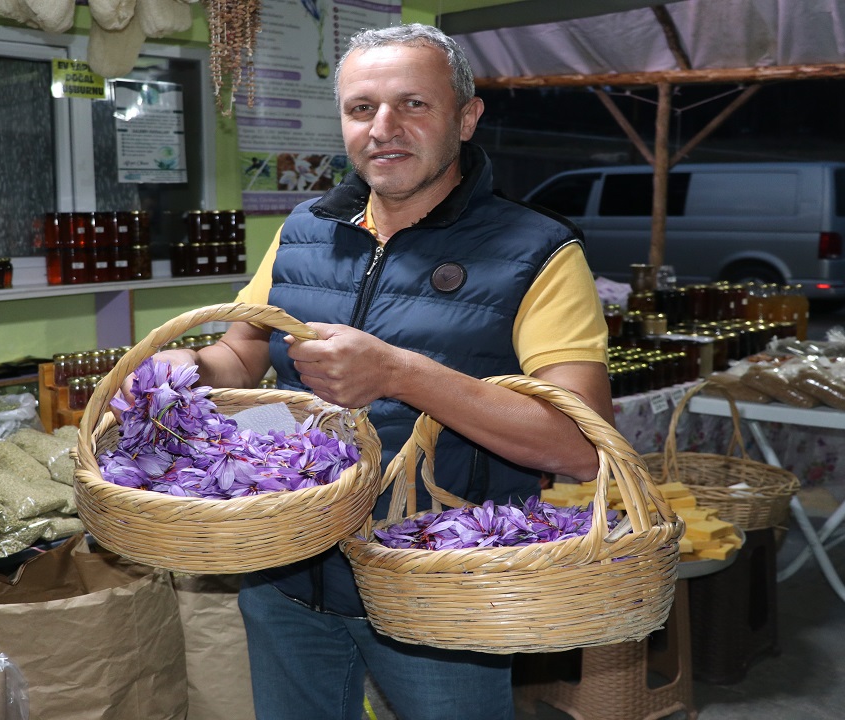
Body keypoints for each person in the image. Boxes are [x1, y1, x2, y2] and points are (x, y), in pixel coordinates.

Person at [140, 23, 611, 720]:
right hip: (288, 567)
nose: (383, 128)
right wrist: (187, 367)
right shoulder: (304, 230)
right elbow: (243, 352)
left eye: (413, 105)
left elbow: (578, 447)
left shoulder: (536, 248)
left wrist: (399, 374)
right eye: (362, 108)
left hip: (440, 583)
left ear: (467, 117)